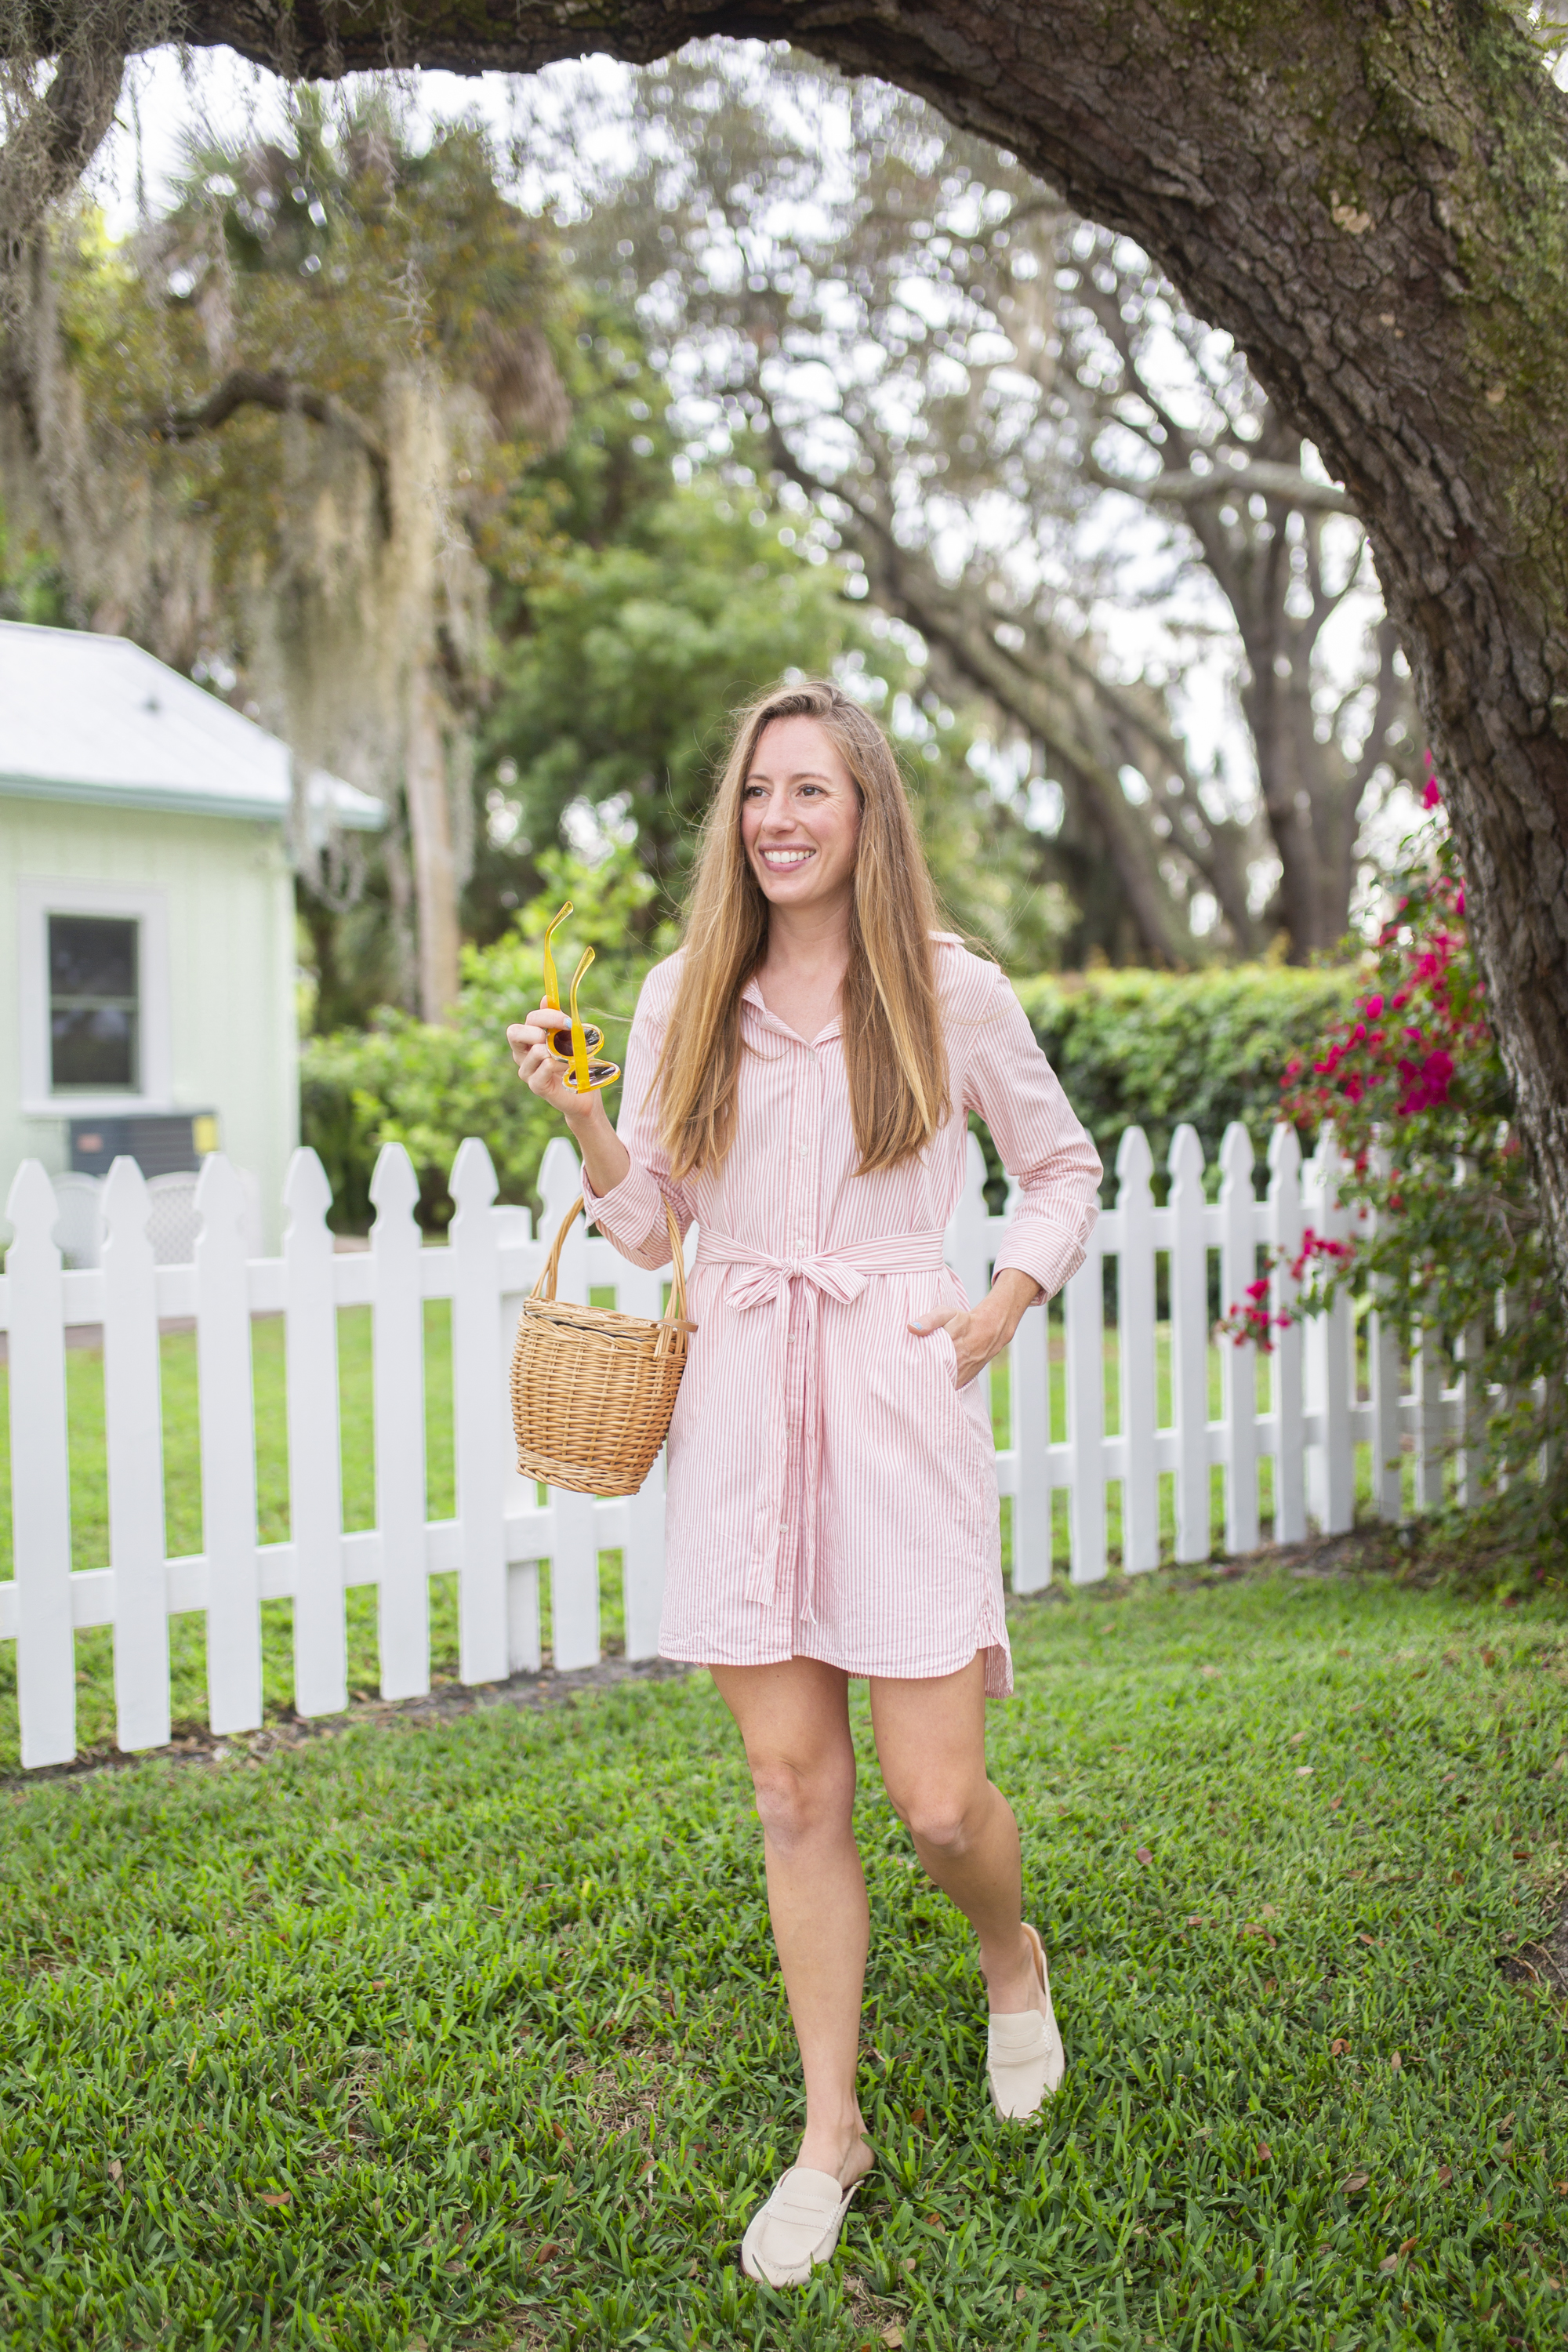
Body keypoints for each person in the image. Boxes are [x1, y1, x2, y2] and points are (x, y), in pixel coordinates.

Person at [506, 680, 1102, 2288]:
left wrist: (997, 1303)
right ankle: (827, 2128)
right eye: (759, 792)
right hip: (741, 1410)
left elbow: (1060, 1168)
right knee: (790, 1789)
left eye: (811, 793)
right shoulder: (680, 989)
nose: (778, 819)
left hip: (895, 1402)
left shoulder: (948, 991)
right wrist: (579, 1121)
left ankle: (1007, 1952)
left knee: (934, 1800)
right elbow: (652, 1225)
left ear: (865, 815)